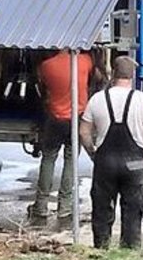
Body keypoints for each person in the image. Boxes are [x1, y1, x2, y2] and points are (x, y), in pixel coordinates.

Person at [78, 56, 143, 249]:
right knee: (132, 212)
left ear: (113, 74)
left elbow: (83, 132)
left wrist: (92, 152)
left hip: (105, 163)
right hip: (135, 165)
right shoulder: (142, 100)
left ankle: (101, 250)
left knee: (101, 211)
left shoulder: (97, 99)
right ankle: (129, 253)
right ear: (132, 76)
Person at [28, 48, 94, 223]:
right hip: (77, 119)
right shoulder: (85, 61)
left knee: (48, 158)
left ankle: (41, 206)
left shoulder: (46, 66)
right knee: (70, 161)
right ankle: (64, 207)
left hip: (55, 119)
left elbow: (42, 88)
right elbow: (96, 76)